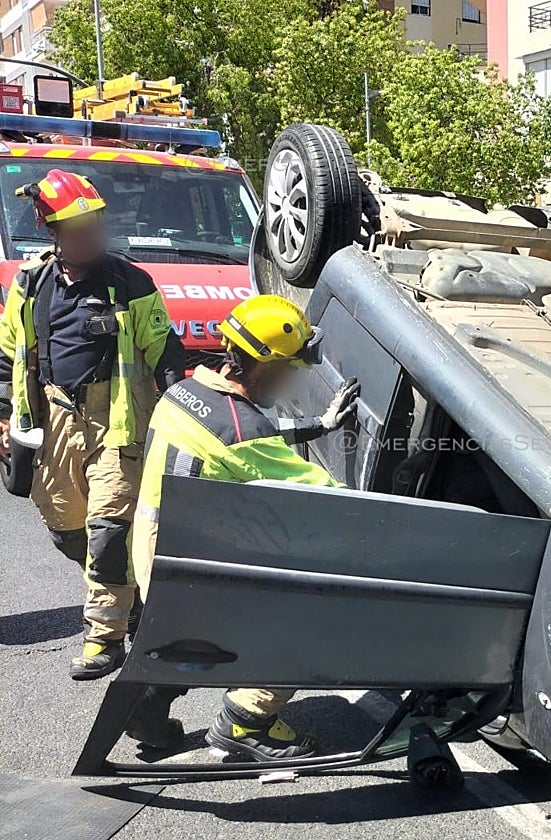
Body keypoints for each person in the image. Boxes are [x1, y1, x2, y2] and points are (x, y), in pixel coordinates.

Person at [122, 294, 359, 760]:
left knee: (184, 635)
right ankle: (248, 723)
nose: (295, 377)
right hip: (188, 566)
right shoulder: (240, 433)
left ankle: (147, 711)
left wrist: (318, 425)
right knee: (317, 612)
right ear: (267, 368)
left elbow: (242, 434)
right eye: (293, 368)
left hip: (159, 545)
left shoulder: (185, 392)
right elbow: (330, 498)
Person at [0, 169, 185, 679]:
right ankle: (129, 595)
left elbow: (165, 354)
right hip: (55, 421)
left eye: (95, 224)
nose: (91, 234)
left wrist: (179, 414)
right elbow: (7, 355)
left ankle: (104, 637)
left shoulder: (131, 282)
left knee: (109, 530)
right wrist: (5, 417)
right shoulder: (29, 284)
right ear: (52, 231)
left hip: (117, 423)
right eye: (78, 227)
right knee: (66, 529)